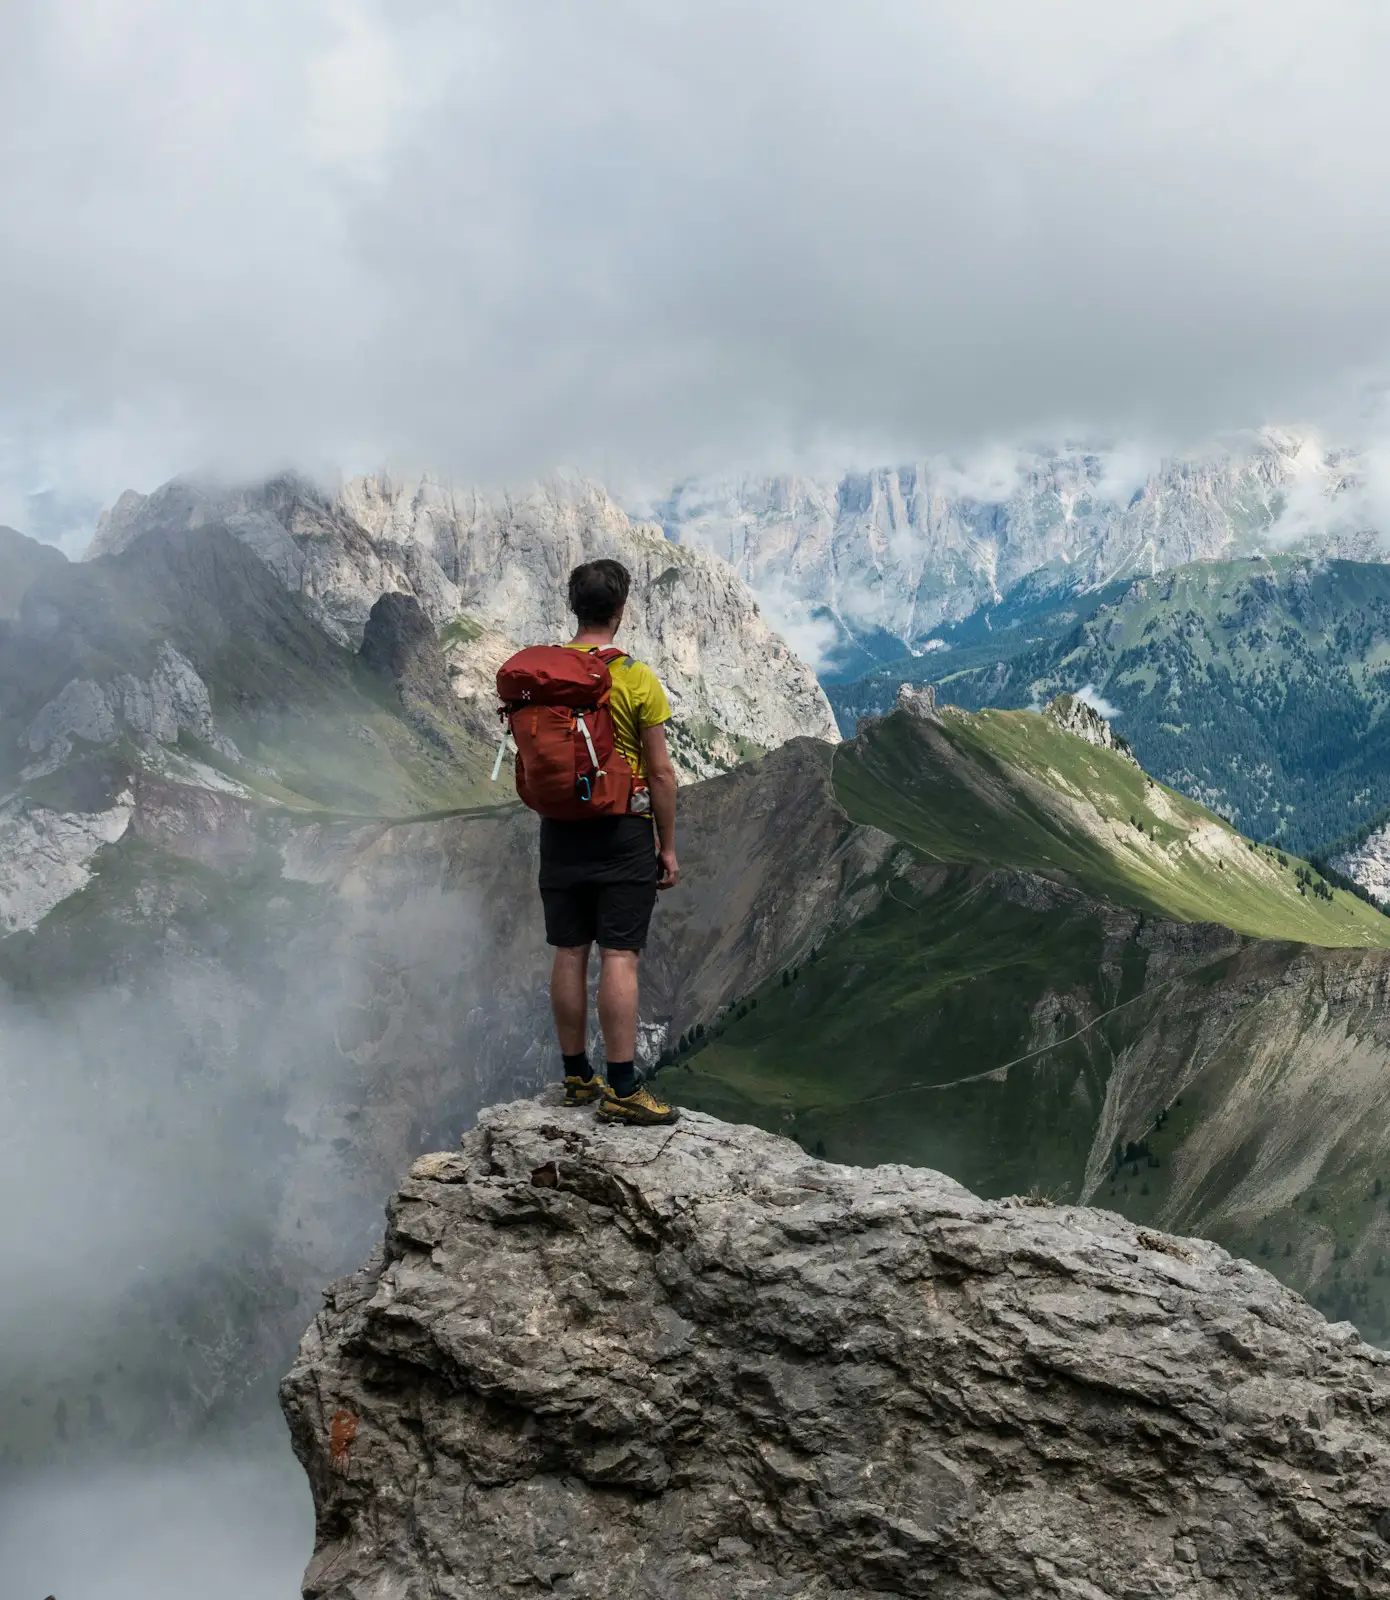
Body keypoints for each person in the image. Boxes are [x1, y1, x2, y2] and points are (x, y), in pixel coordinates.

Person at [540, 559, 681, 1126]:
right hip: (622, 829)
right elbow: (663, 773)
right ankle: (622, 1089)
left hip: (560, 831)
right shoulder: (637, 678)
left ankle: (576, 1078)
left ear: (574, 607)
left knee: (570, 950)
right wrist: (666, 848)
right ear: (621, 611)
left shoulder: (544, 674)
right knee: (620, 955)